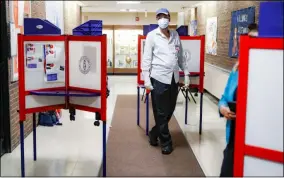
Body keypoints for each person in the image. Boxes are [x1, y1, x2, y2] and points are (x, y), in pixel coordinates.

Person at [142, 8, 190, 155]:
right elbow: (146, 60)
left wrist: (186, 73)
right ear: (157, 19)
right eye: (160, 17)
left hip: (174, 79)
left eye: (165, 16)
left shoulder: (175, 35)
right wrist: (146, 79)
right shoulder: (152, 36)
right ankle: (166, 142)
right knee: (161, 113)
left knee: (169, 111)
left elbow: (181, 57)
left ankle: (154, 133)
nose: (163, 19)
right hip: (158, 79)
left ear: (169, 18)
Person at [219, 23, 258, 177]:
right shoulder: (236, 71)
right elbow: (224, 98)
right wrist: (223, 108)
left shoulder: (268, 74)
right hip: (235, 135)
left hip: (255, 137)